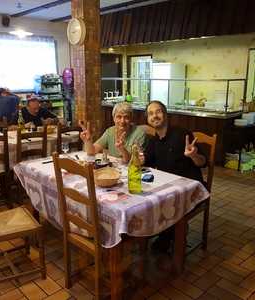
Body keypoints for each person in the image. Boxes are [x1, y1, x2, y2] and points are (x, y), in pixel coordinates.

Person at [143, 100, 207, 252]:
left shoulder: (182, 134)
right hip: (168, 187)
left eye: (158, 112)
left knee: (165, 201)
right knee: (147, 198)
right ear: (147, 119)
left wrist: (194, 155)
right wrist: (139, 159)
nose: (155, 116)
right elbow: (147, 163)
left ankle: (171, 235)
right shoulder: (153, 141)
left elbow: (203, 162)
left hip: (190, 187)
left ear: (165, 115)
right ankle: (163, 232)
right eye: (150, 114)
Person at [80, 102, 146, 163]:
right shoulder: (110, 131)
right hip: (115, 170)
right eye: (119, 117)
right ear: (114, 118)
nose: (122, 121)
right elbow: (92, 151)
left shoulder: (139, 133)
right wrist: (88, 141)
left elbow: (132, 161)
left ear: (131, 119)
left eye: (126, 117)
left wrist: (122, 148)